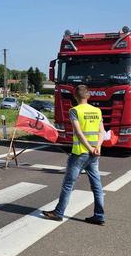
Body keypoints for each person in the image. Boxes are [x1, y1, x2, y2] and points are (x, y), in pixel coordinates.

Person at [43, 84, 106, 225]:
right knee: (97, 185)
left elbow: (78, 132)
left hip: (79, 154)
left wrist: (89, 148)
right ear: (88, 95)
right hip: (94, 154)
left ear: (75, 96)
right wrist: (97, 147)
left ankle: (58, 213)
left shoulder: (74, 111)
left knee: (68, 184)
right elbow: (102, 132)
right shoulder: (97, 111)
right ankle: (99, 215)